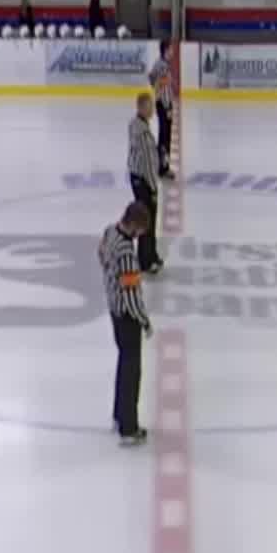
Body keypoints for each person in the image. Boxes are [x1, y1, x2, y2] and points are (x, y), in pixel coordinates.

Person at [100, 202, 153, 446]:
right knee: (132, 372)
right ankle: (129, 427)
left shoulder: (110, 232)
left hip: (113, 310)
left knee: (124, 366)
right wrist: (144, 321)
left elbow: (100, 253)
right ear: (133, 224)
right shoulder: (127, 255)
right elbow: (131, 294)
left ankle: (119, 416)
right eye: (141, 229)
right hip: (127, 318)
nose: (141, 234)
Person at [127, 93, 163, 273]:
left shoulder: (137, 124)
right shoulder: (141, 131)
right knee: (147, 220)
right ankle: (146, 260)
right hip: (143, 182)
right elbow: (148, 162)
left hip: (138, 178)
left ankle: (151, 254)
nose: (153, 110)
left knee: (147, 219)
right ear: (141, 107)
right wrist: (153, 187)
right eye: (149, 107)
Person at [147, 44, 175, 178]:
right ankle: (163, 168)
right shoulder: (163, 66)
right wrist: (168, 107)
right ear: (165, 50)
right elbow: (164, 90)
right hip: (164, 105)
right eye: (170, 50)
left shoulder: (158, 63)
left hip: (160, 104)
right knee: (165, 137)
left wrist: (156, 90)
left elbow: (151, 77)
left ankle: (161, 166)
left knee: (163, 136)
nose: (172, 52)